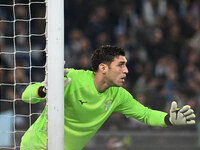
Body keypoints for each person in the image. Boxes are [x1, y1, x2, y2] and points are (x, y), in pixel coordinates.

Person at [20, 45, 195, 150]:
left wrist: (168, 119)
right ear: (103, 68)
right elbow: (26, 96)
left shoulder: (118, 95)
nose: (126, 71)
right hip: (36, 145)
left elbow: (145, 114)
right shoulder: (73, 78)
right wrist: (45, 90)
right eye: (121, 65)